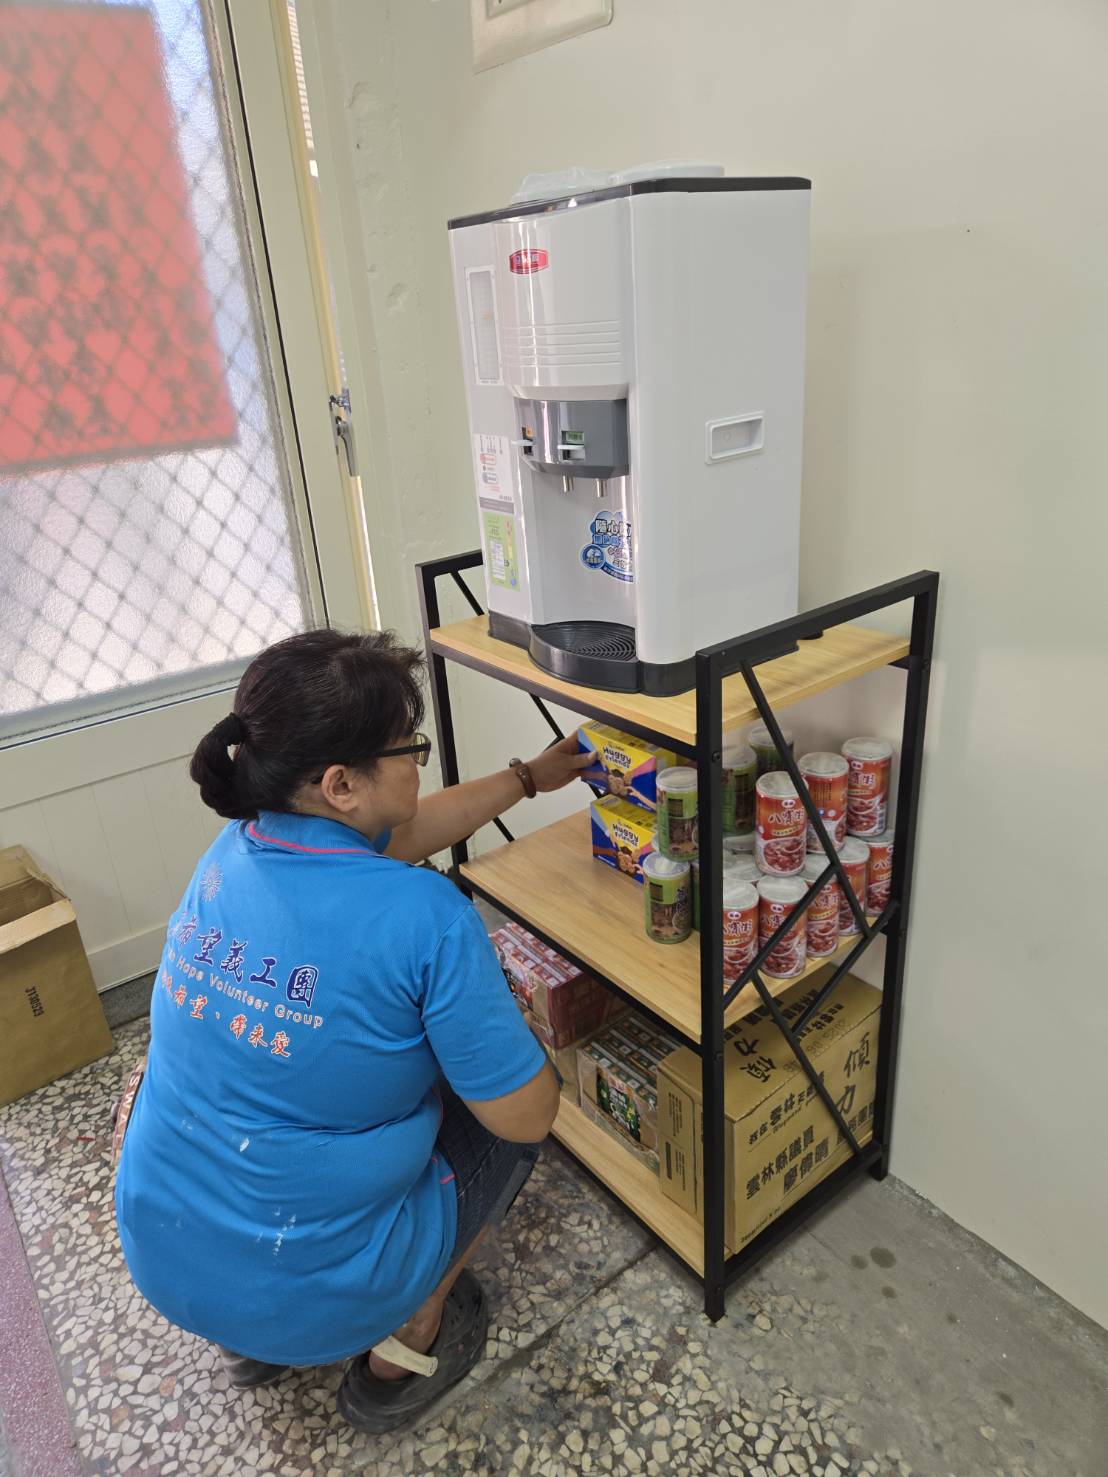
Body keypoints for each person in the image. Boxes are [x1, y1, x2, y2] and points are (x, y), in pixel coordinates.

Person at [114, 628, 589, 1433]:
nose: (420, 763)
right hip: (325, 1295)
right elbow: (529, 1113)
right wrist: (511, 1024)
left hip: (168, 1256)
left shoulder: (229, 854)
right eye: (411, 746)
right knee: (507, 1113)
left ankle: (247, 1339)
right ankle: (406, 1340)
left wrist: (526, 779)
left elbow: (407, 829)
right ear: (340, 784)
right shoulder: (426, 918)